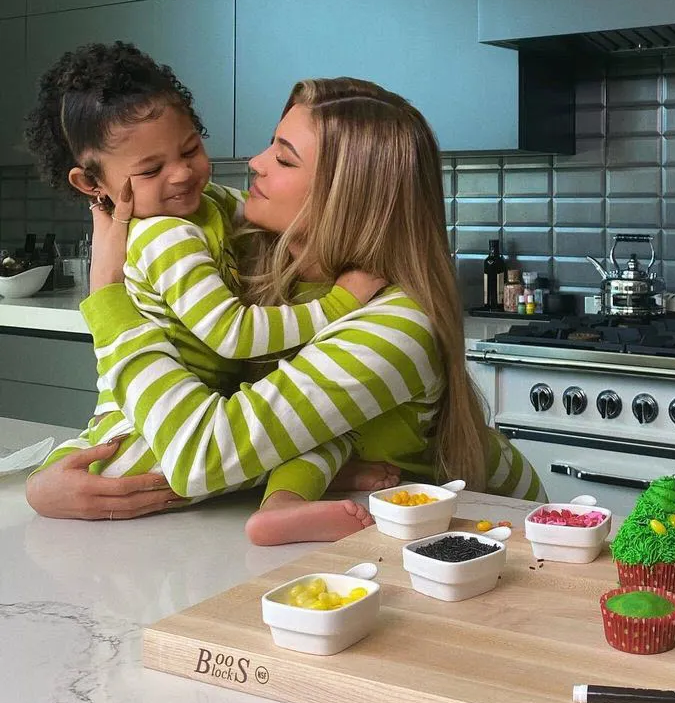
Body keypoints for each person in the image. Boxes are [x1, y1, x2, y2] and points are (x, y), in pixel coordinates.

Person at [26, 75, 544, 535]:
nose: (254, 162)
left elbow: (202, 457)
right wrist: (48, 482)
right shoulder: (244, 239)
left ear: (347, 195)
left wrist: (107, 297)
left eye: (284, 157)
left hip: (487, 529)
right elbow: (141, 402)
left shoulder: (397, 327)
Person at [24, 44, 396, 540]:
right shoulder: (166, 235)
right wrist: (338, 304)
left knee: (321, 434)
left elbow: (278, 208)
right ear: (92, 183)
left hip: (171, 414)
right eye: (151, 171)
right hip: (152, 430)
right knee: (311, 439)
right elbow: (232, 335)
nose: (181, 174)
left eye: (190, 150)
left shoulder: (203, 206)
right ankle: (288, 494)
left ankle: (290, 494)